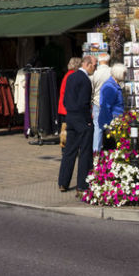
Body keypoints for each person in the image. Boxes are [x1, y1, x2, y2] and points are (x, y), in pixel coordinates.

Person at [58, 55, 97, 195]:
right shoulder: (85, 80)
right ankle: (82, 184)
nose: (95, 68)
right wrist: (88, 120)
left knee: (69, 151)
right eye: (94, 65)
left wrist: (70, 112)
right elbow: (84, 103)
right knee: (85, 152)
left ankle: (63, 182)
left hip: (70, 117)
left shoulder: (71, 77)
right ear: (87, 64)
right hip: (81, 118)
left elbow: (65, 99)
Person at [97, 63, 126, 147]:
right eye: (124, 73)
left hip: (115, 121)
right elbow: (106, 107)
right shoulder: (110, 87)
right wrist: (107, 126)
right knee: (111, 147)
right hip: (111, 122)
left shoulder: (114, 85)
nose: (125, 76)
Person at [58, 57, 82, 147]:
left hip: (64, 107)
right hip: (67, 108)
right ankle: (66, 146)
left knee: (65, 128)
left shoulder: (68, 75)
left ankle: (66, 145)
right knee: (67, 129)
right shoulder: (72, 76)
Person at [90, 55, 112, 153]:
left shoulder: (95, 73)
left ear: (99, 62)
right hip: (111, 103)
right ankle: (112, 150)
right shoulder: (113, 72)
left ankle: (96, 152)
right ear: (108, 61)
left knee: (97, 128)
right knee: (112, 126)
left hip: (97, 102)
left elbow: (91, 89)